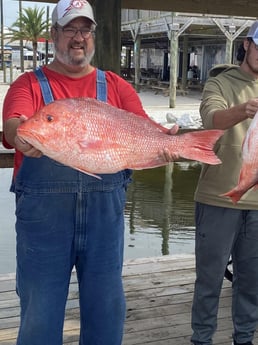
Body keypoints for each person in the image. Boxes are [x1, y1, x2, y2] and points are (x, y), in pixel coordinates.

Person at [2, 1, 177, 344]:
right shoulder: (28, 85)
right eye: (70, 29)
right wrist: (19, 134)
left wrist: (169, 143)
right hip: (44, 228)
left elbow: (145, 130)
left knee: (106, 314)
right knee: (39, 316)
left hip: (104, 225)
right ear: (54, 34)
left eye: (85, 29)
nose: (78, 38)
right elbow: (14, 126)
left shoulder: (116, 86)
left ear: (93, 36)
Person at [191, 21, 258, 345]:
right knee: (209, 280)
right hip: (218, 198)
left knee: (252, 282)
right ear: (247, 44)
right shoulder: (220, 83)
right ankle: (201, 340)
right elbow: (212, 120)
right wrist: (243, 111)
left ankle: (244, 339)